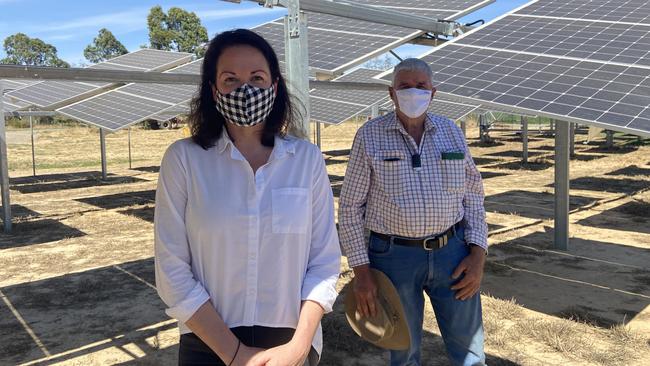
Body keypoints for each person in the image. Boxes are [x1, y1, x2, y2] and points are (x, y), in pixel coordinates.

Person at [154, 29, 341, 366]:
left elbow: (324, 262)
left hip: (292, 340)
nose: (245, 90)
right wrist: (235, 353)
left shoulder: (306, 160)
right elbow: (172, 270)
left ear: (274, 86)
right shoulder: (184, 159)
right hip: (208, 342)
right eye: (230, 79)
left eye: (257, 77)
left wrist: (298, 347)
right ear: (213, 90)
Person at [338, 58, 488, 366]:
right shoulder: (369, 136)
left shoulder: (451, 133)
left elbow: (473, 196)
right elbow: (351, 208)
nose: (413, 93)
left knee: (470, 349)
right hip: (394, 257)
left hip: (453, 252)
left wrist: (478, 254)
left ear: (433, 93)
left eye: (421, 87)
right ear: (391, 93)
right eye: (405, 87)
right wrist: (361, 272)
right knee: (404, 351)